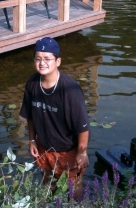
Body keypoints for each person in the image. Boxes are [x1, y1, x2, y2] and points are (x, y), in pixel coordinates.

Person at [20, 36, 90, 199]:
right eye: (38, 59)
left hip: (68, 149)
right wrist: (32, 140)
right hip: (44, 146)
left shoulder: (70, 90)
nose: (42, 63)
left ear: (58, 61)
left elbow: (83, 126)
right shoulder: (32, 83)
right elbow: (29, 116)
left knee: (73, 185)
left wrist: (82, 152)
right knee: (47, 178)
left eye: (47, 59)